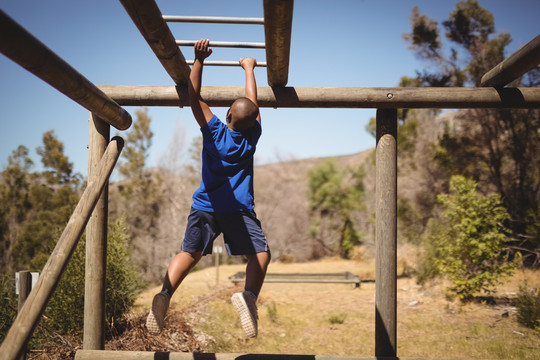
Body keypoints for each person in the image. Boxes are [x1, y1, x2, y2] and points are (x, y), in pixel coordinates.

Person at [146, 39, 271, 338]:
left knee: (189, 253)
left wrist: (199, 60)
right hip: (238, 210)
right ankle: (249, 297)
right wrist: (249, 68)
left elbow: (194, 95)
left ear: (227, 115)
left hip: (205, 206)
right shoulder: (250, 139)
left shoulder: (214, 130)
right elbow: (252, 105)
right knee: (260, 254)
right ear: (253, 121)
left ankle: (164, 293)